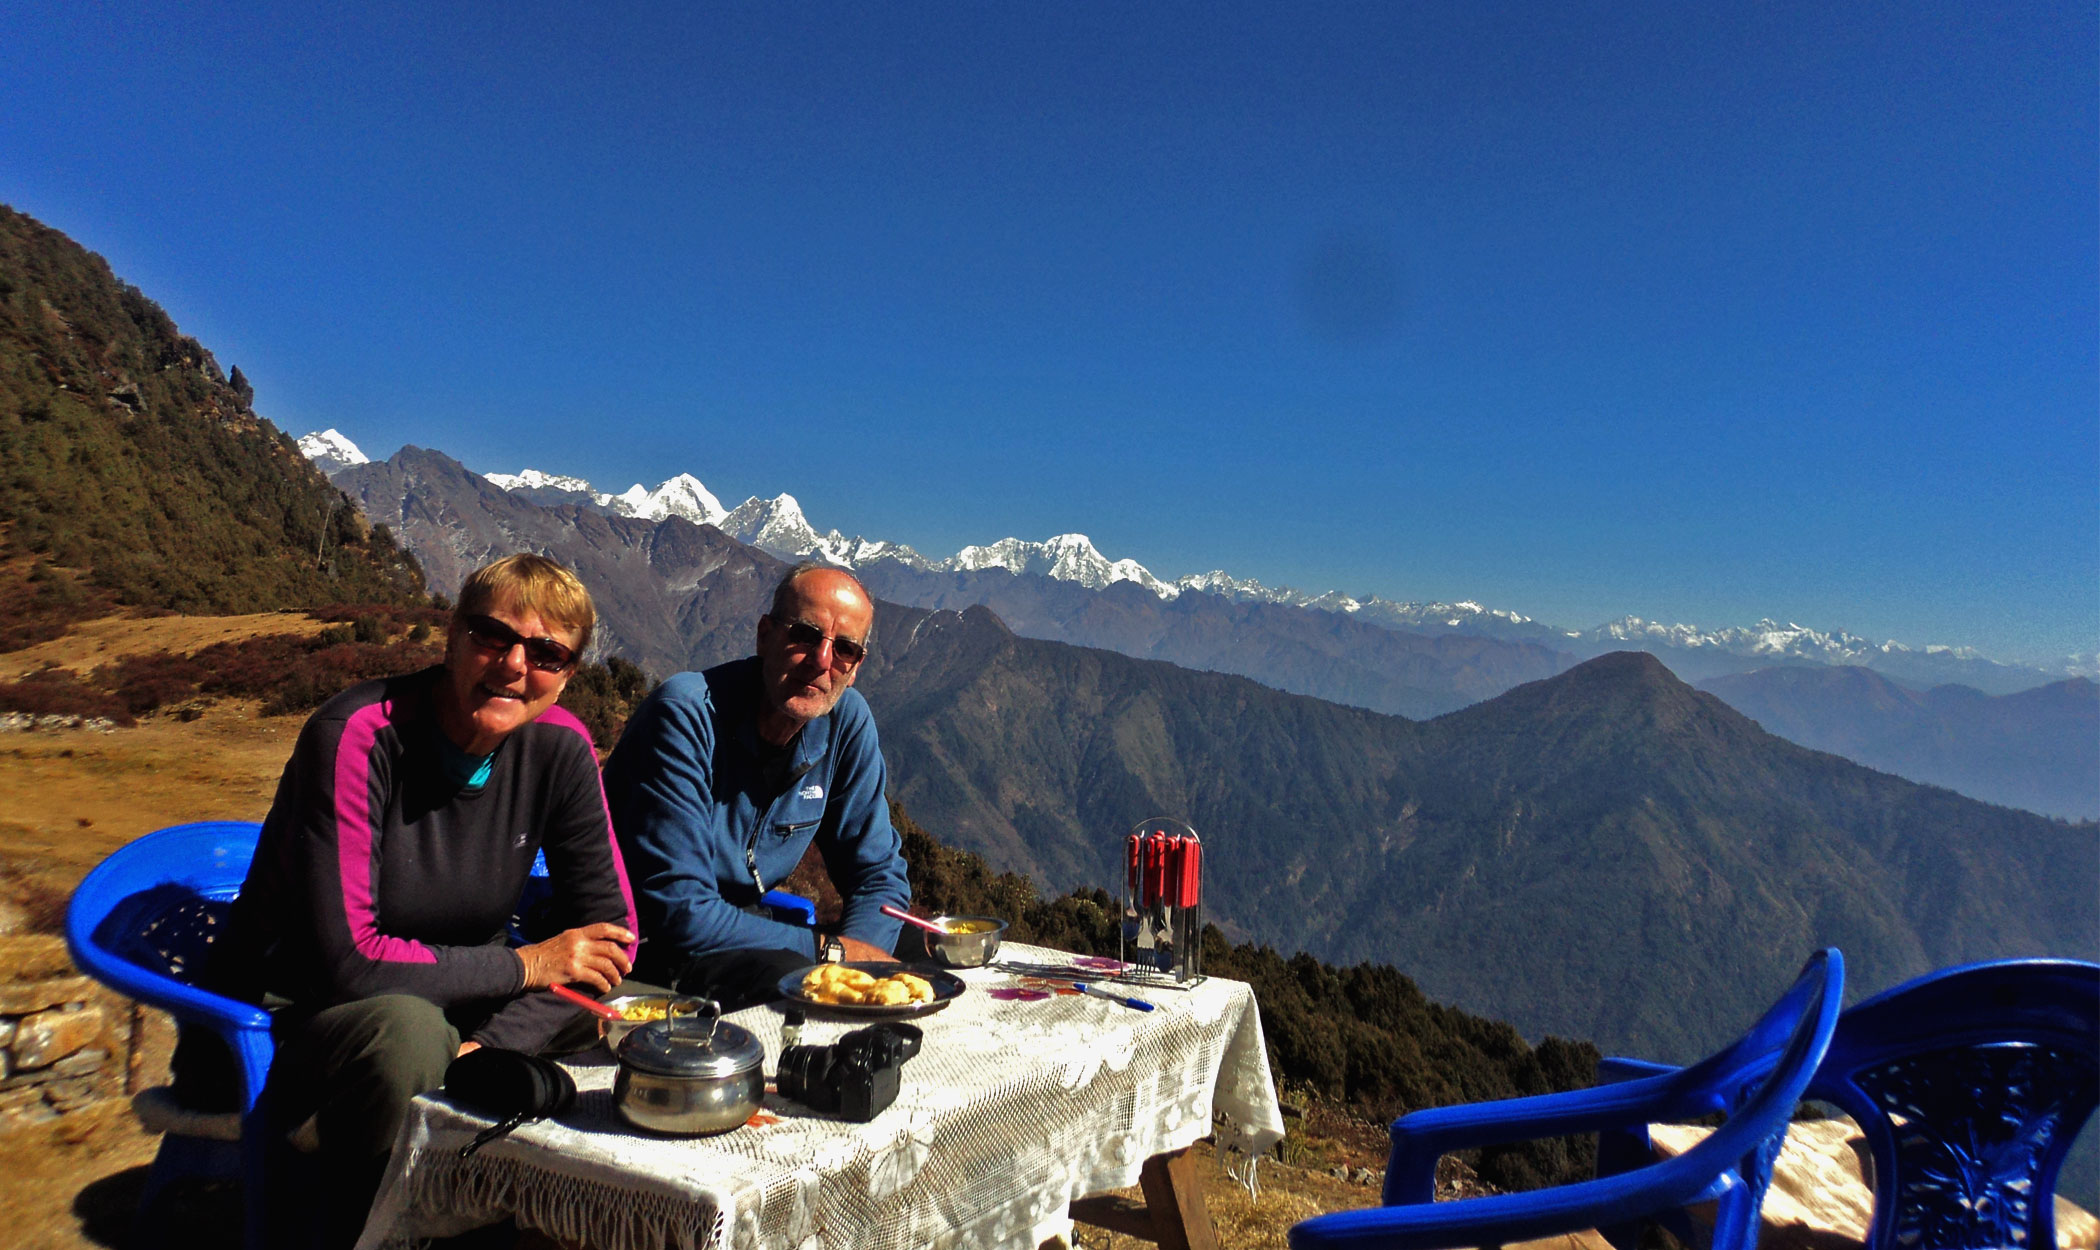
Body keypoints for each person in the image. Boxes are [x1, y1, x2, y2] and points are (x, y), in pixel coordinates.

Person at [197, 553, 638, 1247]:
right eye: (494, 636)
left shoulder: (561, 748)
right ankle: (367, 1230)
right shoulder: (356, 736)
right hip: (295, 1016)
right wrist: (526, 967)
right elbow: (349, 961)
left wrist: (489, 1048)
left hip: (456, 1008)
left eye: (547, 653)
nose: (515, 665)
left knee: (633, 1009)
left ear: (568, 675)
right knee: (409, 1038)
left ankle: (556, 1215)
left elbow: (608, 938)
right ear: (454, 636)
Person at [603, 562, 909, 1000]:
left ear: (856, 667)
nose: (822, 661)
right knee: (789, 978)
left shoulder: (845, 723)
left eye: (845, 649)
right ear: (765, 635)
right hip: (639, 950)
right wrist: (836, 956)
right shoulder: (686, 716)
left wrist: (861, 966)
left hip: (739, 936)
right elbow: (682, 913)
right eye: (805, 635)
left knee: (914, 951)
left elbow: (878, 874)